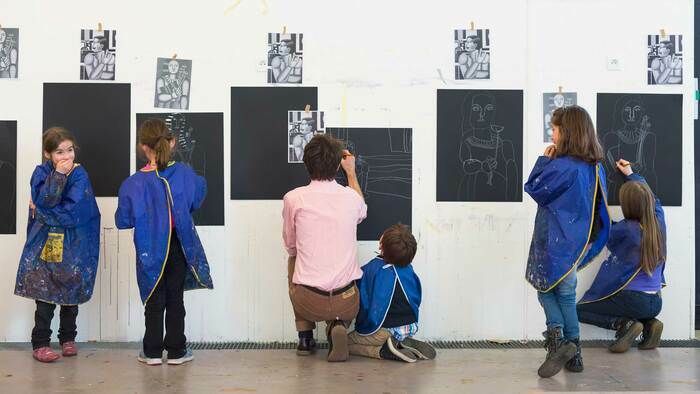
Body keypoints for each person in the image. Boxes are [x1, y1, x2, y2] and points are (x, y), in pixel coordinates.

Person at [116, 119, 213, 366]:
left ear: (142, 147)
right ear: (172, 142)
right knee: (175, 299)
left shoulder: (132, 184)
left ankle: (151, 352)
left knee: (153, 298)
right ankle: (177, 351)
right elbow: (197, 198)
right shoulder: (184, 174)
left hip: (150, 250)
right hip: (178, 246)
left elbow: (123, 221)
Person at [524, 105, 610, 378]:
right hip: (578, 243)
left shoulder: (561, 167)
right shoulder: (595, 167)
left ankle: (559, 343)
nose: (552, 132)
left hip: (555, 244)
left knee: (546, 291)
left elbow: (535, 188)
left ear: (568, 132)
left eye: (555, 128)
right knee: (567, 295)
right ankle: (574, 355)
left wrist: (545, 161)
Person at [14, 127, 100, 363]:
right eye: (60, 152)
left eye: (70, 150)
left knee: (70, 288)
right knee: (45, 292)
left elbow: (73, 211)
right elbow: (46, 198)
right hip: (48, 241)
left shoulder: (80, 175)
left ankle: (67, 339)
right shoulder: (41, 173)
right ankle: (40, 343)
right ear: (47, 154)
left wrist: (42, 212)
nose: (67, 157)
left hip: (74, 241)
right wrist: (59, 177)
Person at [282, 134, 366, 362]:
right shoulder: (351, 198)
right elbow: (362, 212)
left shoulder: (293, 198)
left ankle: (305, 337)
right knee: (342, 278)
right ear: (338, 162)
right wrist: (350, 172)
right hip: (347, 300)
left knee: (293, 258)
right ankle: (337, 324)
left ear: (307, 163)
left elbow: (290, 245)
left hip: (309, 301)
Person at [577, 158, 666, 353]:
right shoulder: (659, 221)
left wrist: (592, 197)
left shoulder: (625, 230)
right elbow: (655, 200)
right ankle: (650, 324)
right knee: (640, 309)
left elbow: (603, 228)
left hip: (633, 300)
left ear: (628, 206)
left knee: (577, 310)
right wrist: (631, 174)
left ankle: (623, 324)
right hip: (656, 302)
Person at [348, 224, 436, 363]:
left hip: (382, 330)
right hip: (410, 326)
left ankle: (384, 351)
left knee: (344, 344)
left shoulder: (372, 269)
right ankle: (400, 341)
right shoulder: (409, 270)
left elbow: (362, 300)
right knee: (391, 332)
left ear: (381, 246)